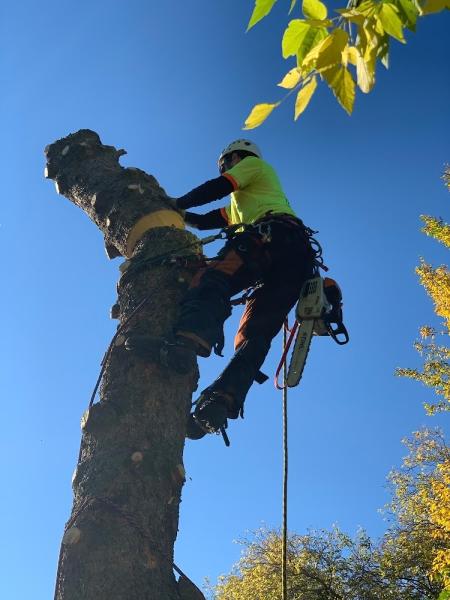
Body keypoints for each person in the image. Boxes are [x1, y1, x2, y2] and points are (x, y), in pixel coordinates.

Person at [126, 139, 316, 440]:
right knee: (255, 334)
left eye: (227, 163)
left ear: (236, 157)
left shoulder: (253, 165)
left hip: (271, 238)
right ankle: (220, 403)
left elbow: (218, 186)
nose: (227, 168)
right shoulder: (243, 203)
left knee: (212, 279)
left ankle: (184, 344)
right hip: (294, 258)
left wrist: (176, 203)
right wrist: (178, 212)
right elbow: (203, 223)